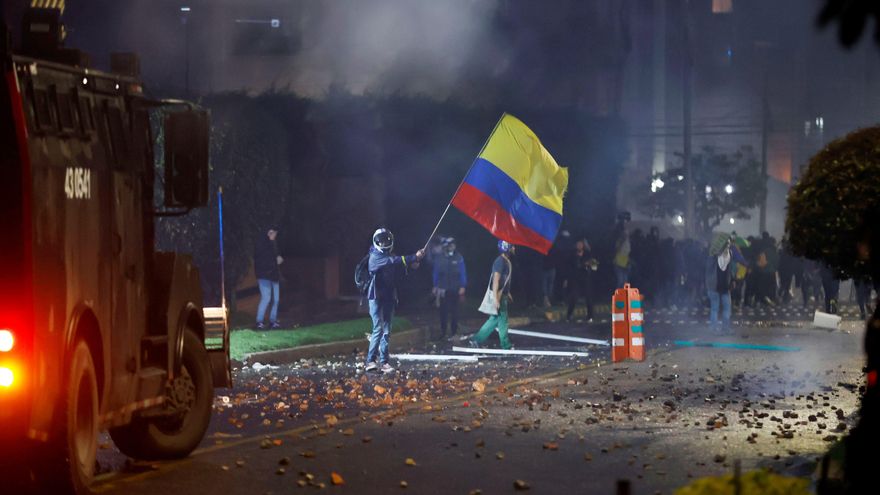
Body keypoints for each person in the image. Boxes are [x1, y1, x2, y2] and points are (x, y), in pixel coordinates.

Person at [365, 228, 425, 373]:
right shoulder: (375, 256)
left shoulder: (389, 256)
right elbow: (394, 261)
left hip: (389, 298)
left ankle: (384, 362)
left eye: (387, 239)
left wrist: (413, 264)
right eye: (382, 240)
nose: (385, 242)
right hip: (376, 298)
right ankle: (370, 361)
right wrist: (413, 256)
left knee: (386, 331)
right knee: (378, 329)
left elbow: (400, 267)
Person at [470, 240, 515, 350]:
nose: (514, 248)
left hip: (502, 294)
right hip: (499, 296)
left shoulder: (506, 261)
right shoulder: (500, 261)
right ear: (507, 248)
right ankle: (506, 345)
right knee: (503, 320)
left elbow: (504, 280)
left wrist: (507, 292)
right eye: (512, 246)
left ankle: (476, 339)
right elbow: (496, 279)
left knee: (494, 319)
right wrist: (496, 298)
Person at [705, 233, 744, 334]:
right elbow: (708, 269)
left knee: (724, 308)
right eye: (727, 244)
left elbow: (730, 269)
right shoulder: (713, 256)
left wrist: (733, 280)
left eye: (729, 244)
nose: (728, 245)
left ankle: (723, 328)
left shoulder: (727, 254)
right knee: (717, 308)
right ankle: (716, 328)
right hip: (715, 286)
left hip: (724, 287)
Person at [432, 237, 467, 339]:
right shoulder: (440, 258)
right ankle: (443, 332)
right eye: (449, 245)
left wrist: (463, 286)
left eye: (453, 245)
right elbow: (436, 273)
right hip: (443, 289)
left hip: (455, 289)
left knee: (455, 311)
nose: (451, 247)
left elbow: (463, 273)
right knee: (443, 312)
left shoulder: (459, 257)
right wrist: (435, 285)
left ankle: (454, 332)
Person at [254, 226, 283, 329]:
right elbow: (263, 261)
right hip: (264, 276)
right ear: (268, 233)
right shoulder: (262, 245)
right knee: (266, 298)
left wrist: (278, 258)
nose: (274, 236)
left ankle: (273, 321)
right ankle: (259, 321)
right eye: (272, 233)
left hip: (274, 275)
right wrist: (276, 260)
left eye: (275, 234)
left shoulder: (273, 244)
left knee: (276, 299)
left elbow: (275, 256)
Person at [563, 238, 597, 322]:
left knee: (588, 297)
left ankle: (590, 316)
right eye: (578, 244)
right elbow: (568, 267)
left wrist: (588, 265)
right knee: (574, 297)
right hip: (575, 278)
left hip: (586, 278)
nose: (579, 246)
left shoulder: (588, 254)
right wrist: (567, 279)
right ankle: (569, 315)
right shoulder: (572, 254)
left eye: (581, 244)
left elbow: (594, 266)